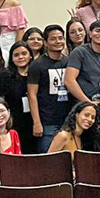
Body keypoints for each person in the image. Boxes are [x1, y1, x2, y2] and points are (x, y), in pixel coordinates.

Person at [26, 25, 70, 153]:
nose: (58, 41)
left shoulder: (69, 62)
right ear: (45, 42)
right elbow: (32, 94)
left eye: (60, 38)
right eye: (53, 39)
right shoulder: (37, 65)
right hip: (47, 121)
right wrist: (37, 122)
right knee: (48, 159)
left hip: (67, 119)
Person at [65, 20, 100, 103]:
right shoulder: (79, 52)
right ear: (90, 33)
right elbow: (69, 81)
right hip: (84, 102)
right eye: (97, 31)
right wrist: (88, 103)